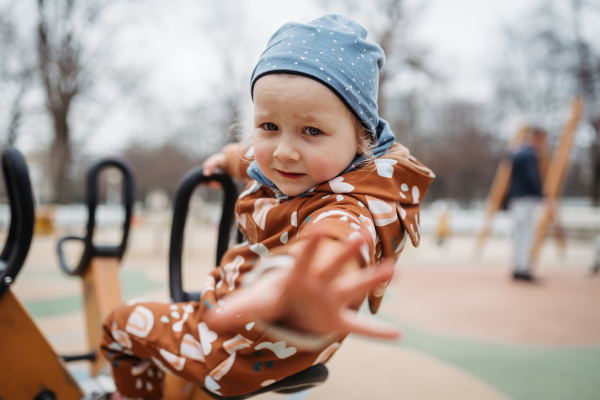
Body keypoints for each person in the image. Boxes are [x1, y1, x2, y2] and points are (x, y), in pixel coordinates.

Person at [100, 15, 434, 399]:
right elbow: (254, 159)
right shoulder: (308, 167)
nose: (284, 151)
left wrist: (296, 287)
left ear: (361, 137)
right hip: (274, 340)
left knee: (119, 326)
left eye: (312, 131)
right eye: (269, 126)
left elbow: (338, 242)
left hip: (234, 347)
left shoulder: (351, 208)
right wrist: (226, 160)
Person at [506, 127, 547, 282]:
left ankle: (517, 266)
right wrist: (540, 194)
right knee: (526, 233)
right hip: (526, 198)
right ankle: (523, 268)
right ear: (536, 138)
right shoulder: (530, 154)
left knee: (518, 234)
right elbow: (531, 177)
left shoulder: (517, 152)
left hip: (515, 197)